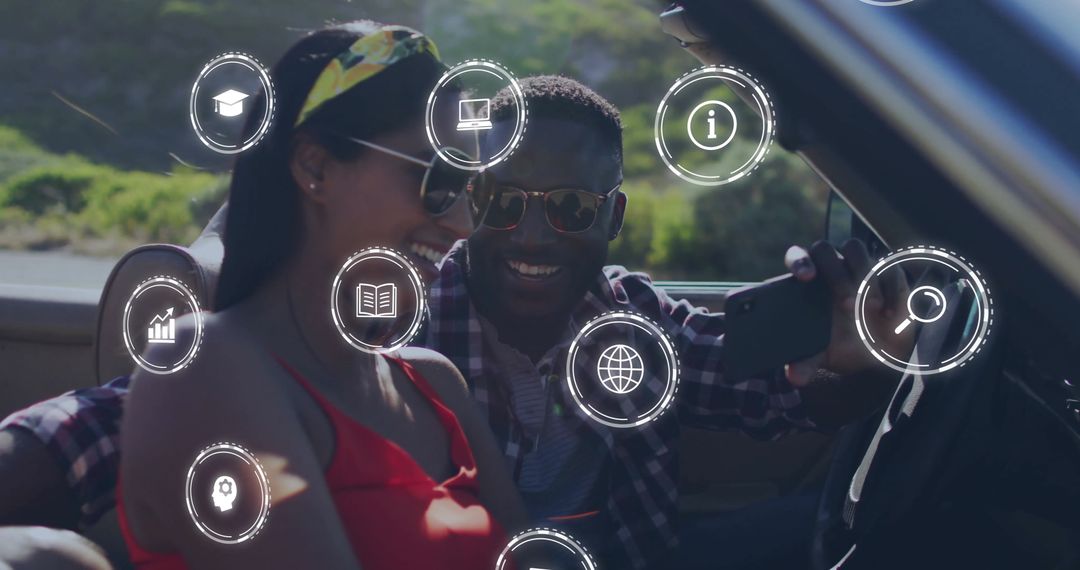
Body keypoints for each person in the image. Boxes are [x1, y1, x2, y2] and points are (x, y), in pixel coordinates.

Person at [413, 75, 910, 568]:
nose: (531, 237)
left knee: (849, 522)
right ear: (475, 199)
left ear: (615, 216)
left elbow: (777, 396)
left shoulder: (636, 316)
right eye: (504, 202)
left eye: (572, 207)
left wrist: (863, 358)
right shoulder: (411, 330)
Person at [118, 21, 524, 568]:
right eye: (440, 180)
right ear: (316, 167)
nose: (462, 223)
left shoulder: (435, 386)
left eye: (476, 191)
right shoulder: (201, 366)